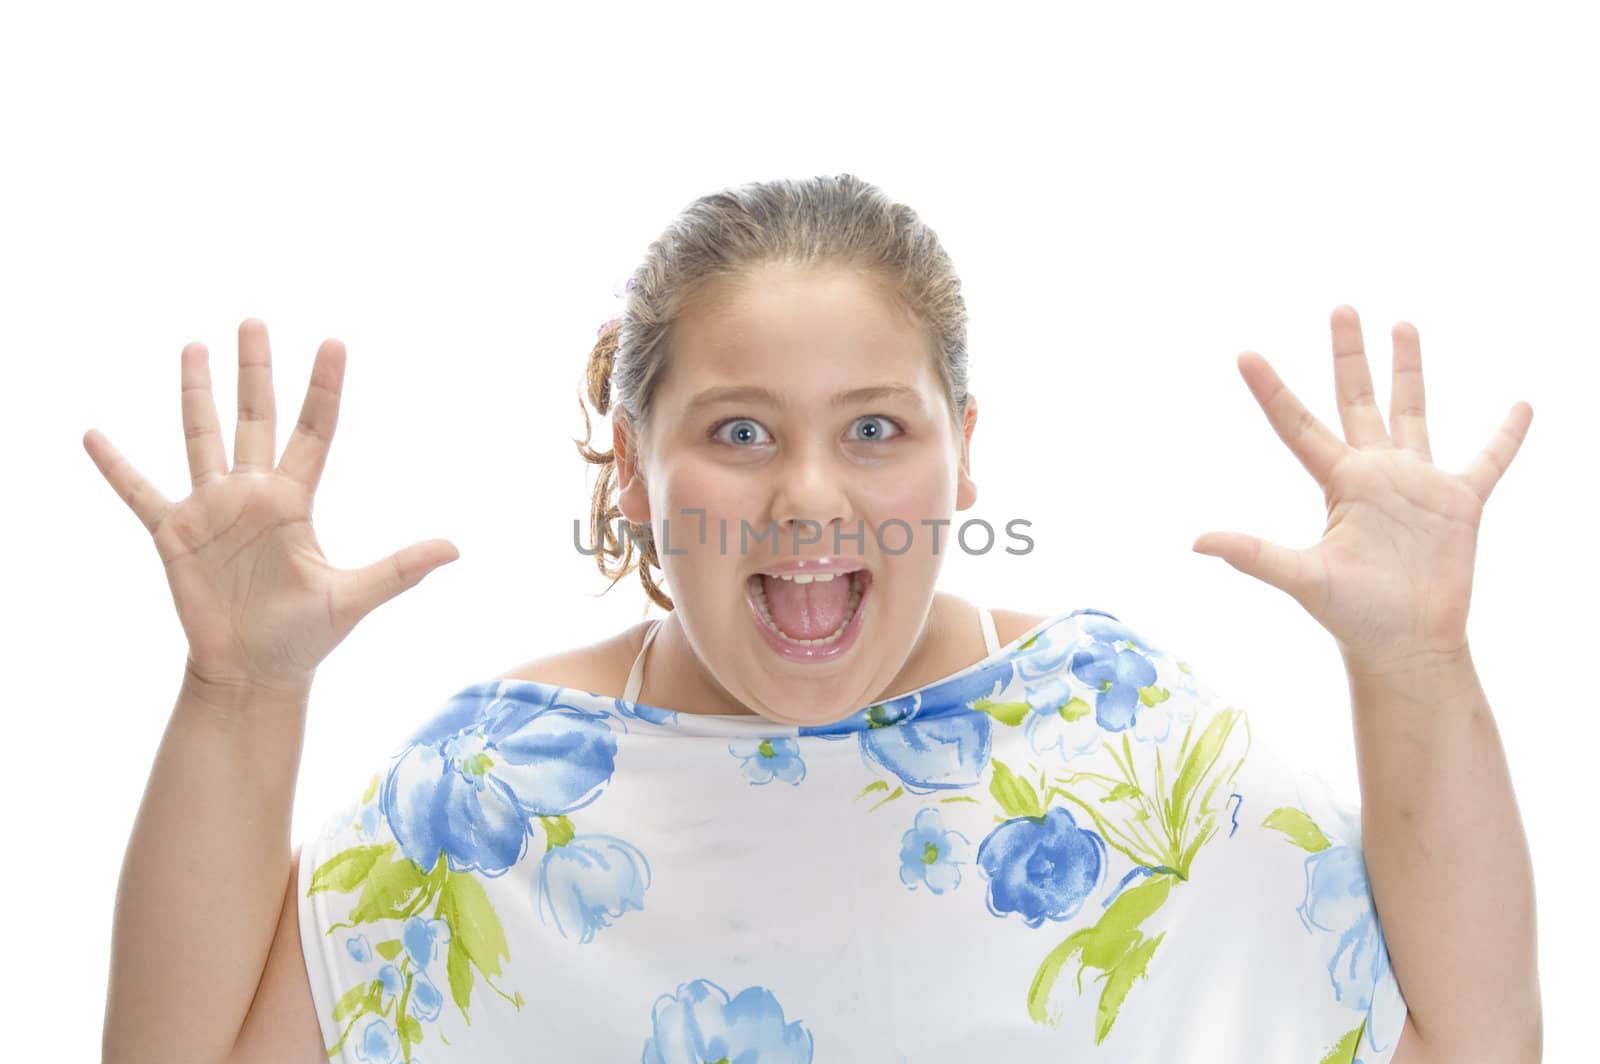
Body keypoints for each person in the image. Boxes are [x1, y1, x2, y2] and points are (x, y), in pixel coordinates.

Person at [97, 174, 1424, 1063]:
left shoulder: (1125, 733)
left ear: (961, 456)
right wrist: (239, 692)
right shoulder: (488, 795)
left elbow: (1461, 1034)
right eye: (740, 430)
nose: (808, 498)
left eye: (873, 429)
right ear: (635, 466)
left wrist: (1419, 663)